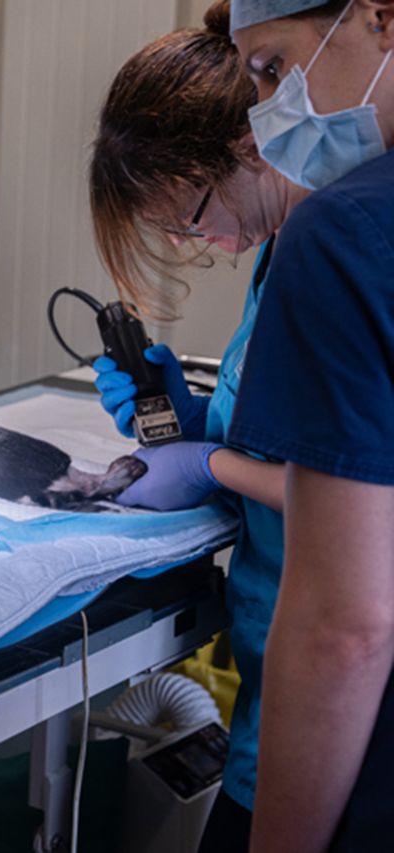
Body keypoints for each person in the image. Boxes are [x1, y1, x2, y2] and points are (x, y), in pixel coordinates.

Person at [87, 4, 308, 849]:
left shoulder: (341, 249)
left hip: (328, 688)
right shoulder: (281, 252)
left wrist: (212, 464)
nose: (203, 241)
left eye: (194, 213)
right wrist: (194, 422)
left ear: (247, 149)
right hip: (271, 663)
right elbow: (293, 424)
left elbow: (359, 490)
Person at [224, 1, 394, 850]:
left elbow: (345, 627)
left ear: (380, 18)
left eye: (273, 65)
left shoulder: (346, 233)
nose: (269, 109)